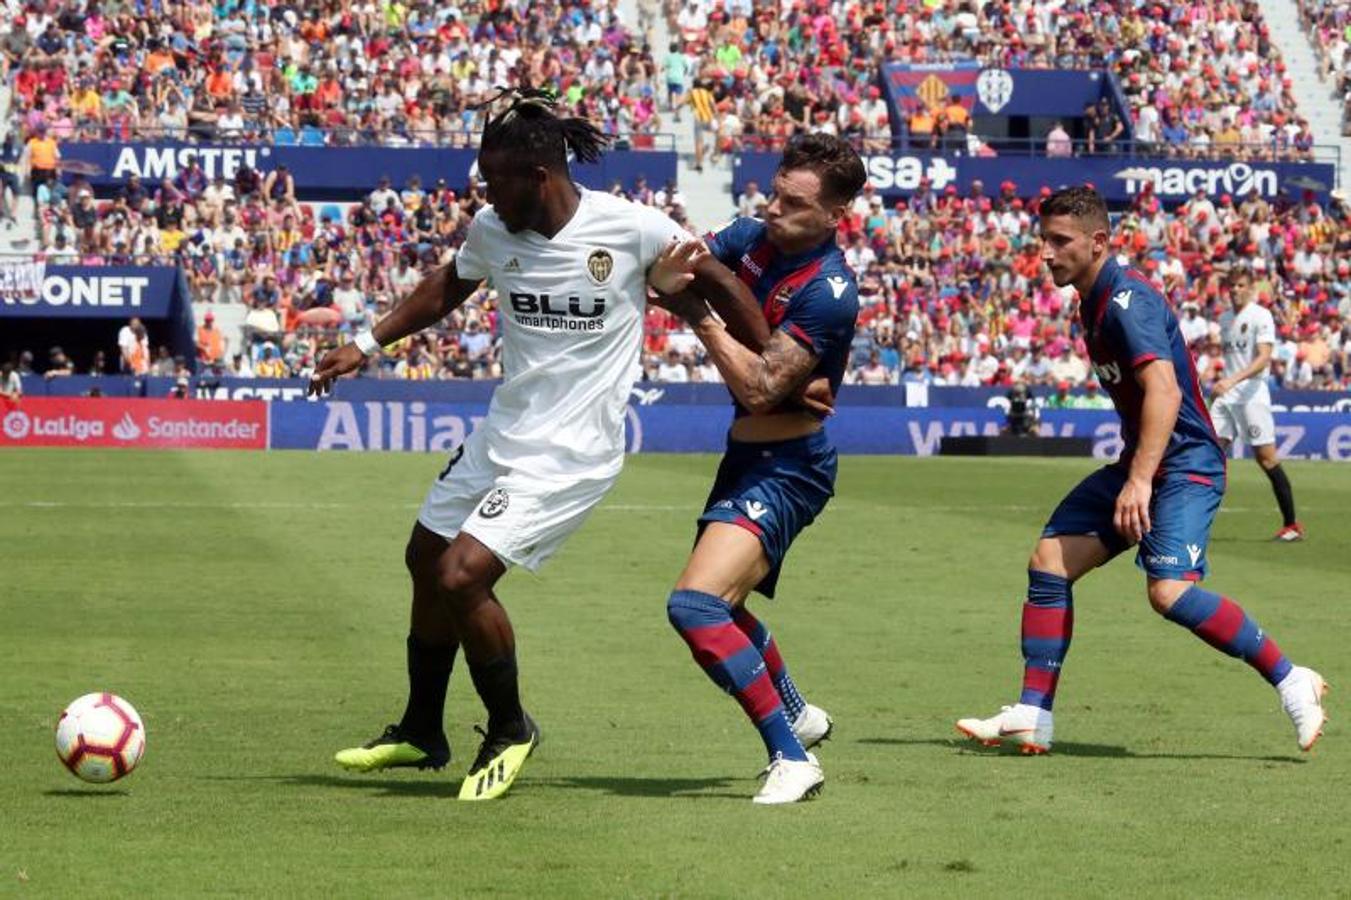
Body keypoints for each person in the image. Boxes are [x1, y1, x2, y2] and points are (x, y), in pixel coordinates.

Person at [310, 88, 767, 801]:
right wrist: (365, 343)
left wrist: (770, 358)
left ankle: (508, 728)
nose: (485, 193)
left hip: (573, 451)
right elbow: (447, 286)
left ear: (538, 177)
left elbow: (717, 279)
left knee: (463, 576)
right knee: (424, 558)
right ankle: (420, 730)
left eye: (494, 178)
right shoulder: (495, 228)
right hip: (505, 432)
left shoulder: (633, 228)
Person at [955, 186, 1326, 755]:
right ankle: (1033, 713)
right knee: (1050, 562)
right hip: (1146, 461)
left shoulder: (1129, 301)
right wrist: (1136, 470)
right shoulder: (1092, 301)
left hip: (1185, 465)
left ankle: (1291, 678)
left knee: (1170, 591)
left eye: (1060, 241)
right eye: (1043, 240)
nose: (1047, 253)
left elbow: (1165, 388)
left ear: (1099, 242)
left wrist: (1138, 479)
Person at [651, 133, 865, 804]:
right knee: (722, 605)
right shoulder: (749, 235)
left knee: (694, 606)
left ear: (833, 215)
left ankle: (791, 756)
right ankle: (796, 711)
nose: (773, 209)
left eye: (794, 203)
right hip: (747, 453)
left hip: (791, 464)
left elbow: (756, 388)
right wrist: (692, 289)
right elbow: (673, 271)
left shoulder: (829, 292)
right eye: (773, 192)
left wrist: (701, 319)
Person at [1212, 268, 1303, 541]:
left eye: (1241, 285)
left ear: (1251, 289)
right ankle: (1189, 520)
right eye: (1232, 285)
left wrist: (1232, 380)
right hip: (1227, 394)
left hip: (1251, 393)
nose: (1235, 290)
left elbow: (1264, 358)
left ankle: (1292, 525)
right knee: (1209, 455)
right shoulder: (1224, 318)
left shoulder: (1260, 316)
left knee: (1266, 459)